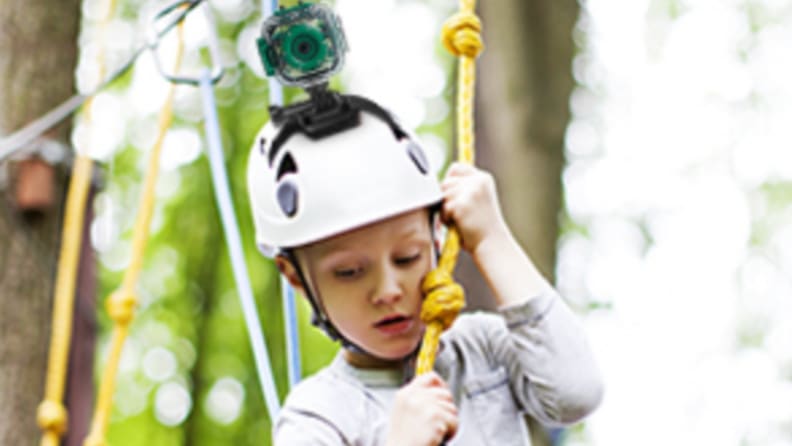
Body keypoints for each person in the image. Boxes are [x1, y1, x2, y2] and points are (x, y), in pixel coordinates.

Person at [246, 93, 603, 445]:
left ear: (436, 238)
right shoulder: (317, 417)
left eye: (407, 258)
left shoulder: (483, 350)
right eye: (350, 272)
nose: (389, 290)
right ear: (295, 277)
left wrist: (492, 239)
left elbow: (576, 395)